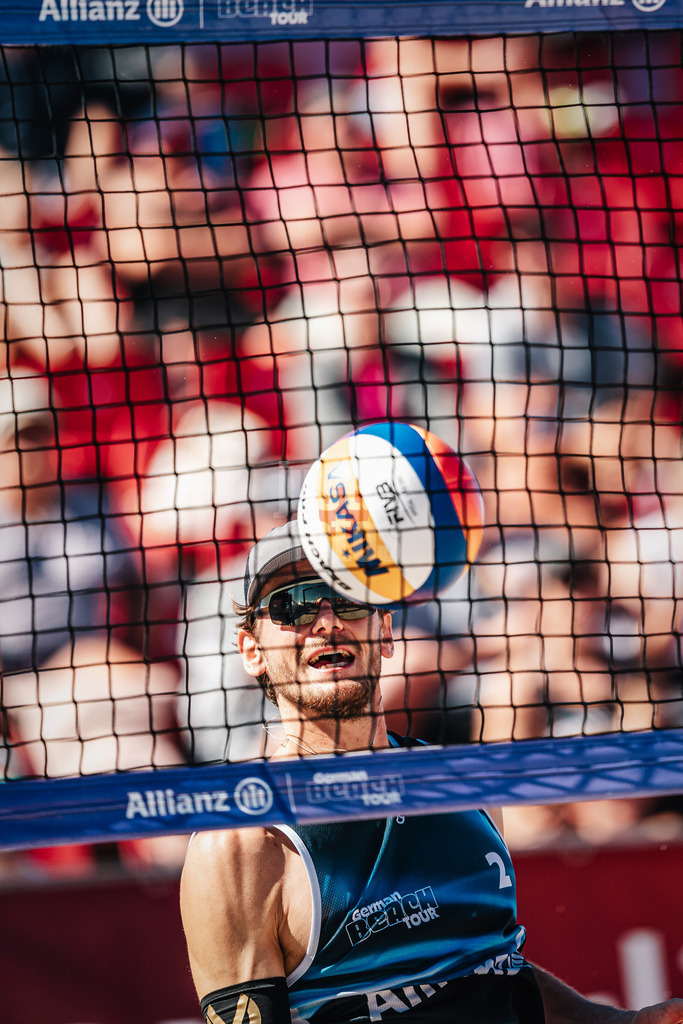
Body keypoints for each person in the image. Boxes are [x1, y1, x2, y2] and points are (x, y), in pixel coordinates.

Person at [180, 519, 683, 1024]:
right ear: (251, 652)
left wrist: (620, 1022)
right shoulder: (241, 845)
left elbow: (495, 977)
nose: (327, 619)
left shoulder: (460, 785)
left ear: (386, 631)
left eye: (348, 596)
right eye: (294, 604)